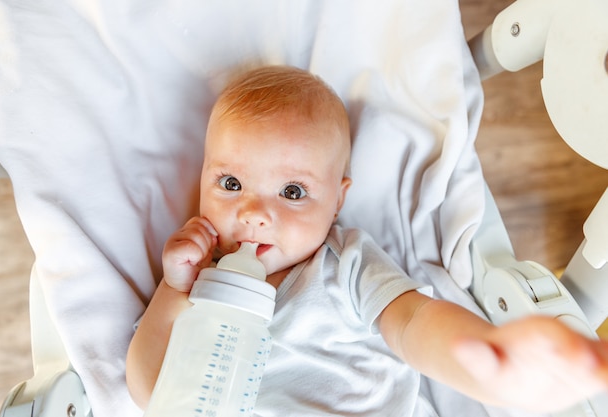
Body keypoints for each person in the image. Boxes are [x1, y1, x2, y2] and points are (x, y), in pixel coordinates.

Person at [126, 65, 608, 416]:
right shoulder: (198, 286)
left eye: (292, 192)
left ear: (338, 200)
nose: (254, 214)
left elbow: (412, 322)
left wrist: (482, 353)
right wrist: (172, 290)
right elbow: (151, 393)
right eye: (230, 184)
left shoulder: (342, 264)